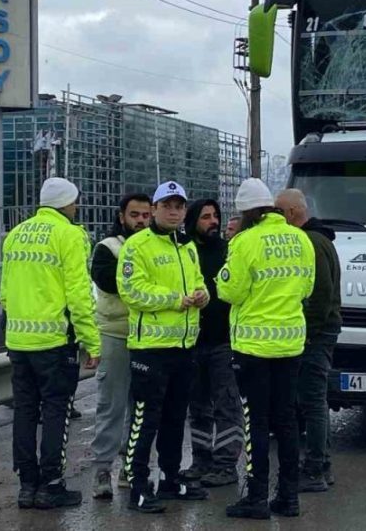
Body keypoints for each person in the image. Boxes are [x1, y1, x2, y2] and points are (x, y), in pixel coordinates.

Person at [217, 178, 315, 519]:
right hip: (290, 344)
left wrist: (222, 278)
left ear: (246, 212)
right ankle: (288, 497)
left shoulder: (245, 242)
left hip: (254, 347)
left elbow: (231, 292)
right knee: (286, 421)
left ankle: (256, 496)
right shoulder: (300, 238)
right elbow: (306, 288)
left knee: (255, 422)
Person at [1, 178, 101, 510]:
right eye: (76, 202)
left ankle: (27, 486)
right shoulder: (71, 235)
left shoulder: (16, 235)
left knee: (25, 412)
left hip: (18, 340)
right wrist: (91, 341)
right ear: (67, 203)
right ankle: (51, 484)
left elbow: (4, 292)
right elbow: (79, 293)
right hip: (54, 341)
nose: (77, 208)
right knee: (56, 411)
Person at [117, 181, 210, 514]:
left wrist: (203, 296)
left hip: (184, 347)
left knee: (174, 418)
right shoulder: (137, 245)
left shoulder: (186, 247)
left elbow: (198, 283)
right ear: (154, 209)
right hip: (150, 349)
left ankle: (171, 478)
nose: (174, 212)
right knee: (145, 420)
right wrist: (176, 300)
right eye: (167, 205)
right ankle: (138, 486)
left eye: (179, 206)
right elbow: (131, 290)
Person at [275, 189, 342, 492]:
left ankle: (316, 466)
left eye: (278, 213)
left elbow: (320, 296)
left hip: (314, 334)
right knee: (314, 399)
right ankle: (320, 463)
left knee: (313, 400)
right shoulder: (320, 239)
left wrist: (304, 333)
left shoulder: (311, 243)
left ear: (291, 213)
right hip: (321, 331)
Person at [90, 192, 152, 499]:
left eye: (145, 215)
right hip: (115, 335)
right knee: (111, 405)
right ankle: (103, 468)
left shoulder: (158, 246)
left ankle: (132, 467)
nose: (140, 220)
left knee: (141, 407)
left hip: (150, 337)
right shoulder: (107, 248)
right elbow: (111, 283)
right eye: (135, 215)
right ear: (122, 216)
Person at [183, 198, 242, 487]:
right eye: (206, 217)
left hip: (223, 341)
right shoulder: (185, 252)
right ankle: (201, 460)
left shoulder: (228, 251)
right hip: (193, 341)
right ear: (193, 221)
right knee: (198, 407)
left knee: (227, 405)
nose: (213, 222)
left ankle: (226, 465)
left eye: (215, 216)